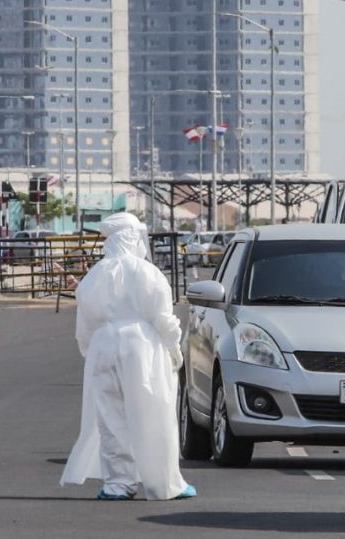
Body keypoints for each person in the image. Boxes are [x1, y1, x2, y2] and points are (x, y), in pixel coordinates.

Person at [60, 212, 195, 501]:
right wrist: (173, 349)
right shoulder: (146, 272)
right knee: (154, 411)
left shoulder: (94, 275)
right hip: (141, 345)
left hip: (102, 345)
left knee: (111, 417)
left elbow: (84, 327)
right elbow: (163, 318)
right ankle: (165, 483)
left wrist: (92, 354)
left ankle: (118, 484)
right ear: (134, 238)